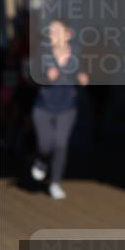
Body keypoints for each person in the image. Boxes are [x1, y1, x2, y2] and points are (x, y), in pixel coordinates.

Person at [30, 18, 89, 199]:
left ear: (68, 34)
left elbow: (81, 70)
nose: (52, 34)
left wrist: (82, 77)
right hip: (43, 107)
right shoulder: (43, 53)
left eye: (56, 30)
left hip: (67, 107)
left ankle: (55, 183)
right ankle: (41, 160)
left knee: (61, 143)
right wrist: (44, 76)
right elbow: (32, 76)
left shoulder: (76, 54)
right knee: (45, 143)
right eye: (50, 31)